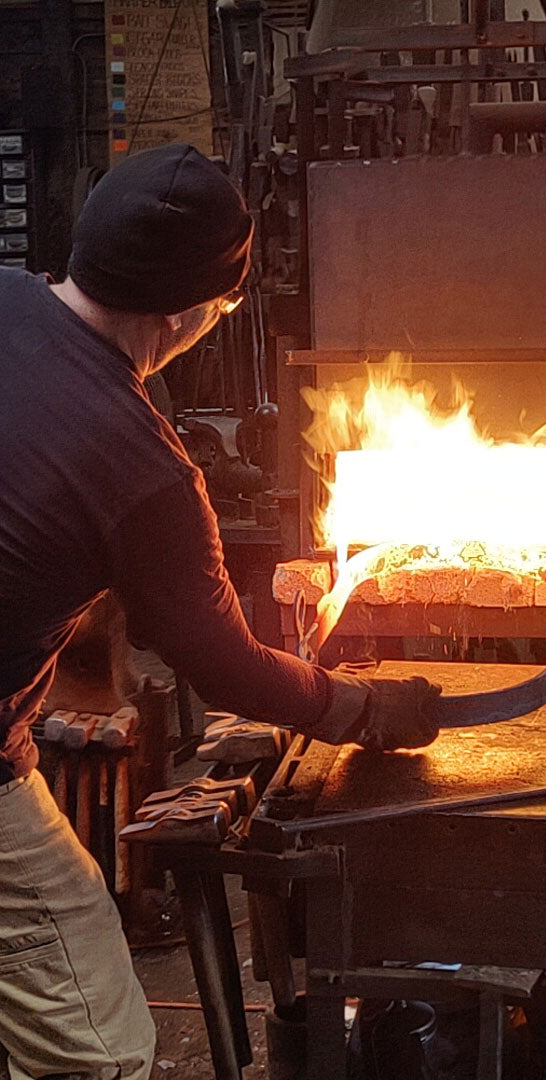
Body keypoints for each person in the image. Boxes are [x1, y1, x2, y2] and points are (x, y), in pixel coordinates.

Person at [0, 144, 441, 1079]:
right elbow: (228, 668)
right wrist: (365, 707)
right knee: (95, 1046)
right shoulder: (145, 471)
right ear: (187, 314)